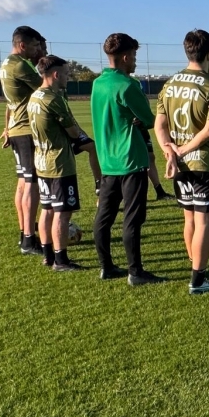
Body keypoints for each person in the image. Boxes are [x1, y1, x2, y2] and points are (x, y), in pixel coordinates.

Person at [154, 29, 209, 295]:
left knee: (189, 219)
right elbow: (208, 131)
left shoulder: (169, 84)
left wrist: (170, 151)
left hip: (182, 167)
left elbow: (159, 126)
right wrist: (183, 151)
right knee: (204, 221)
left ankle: (195, 267)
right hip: (206, 164)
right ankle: (198, 280)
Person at [91, 33, 164, 286]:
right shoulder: (128, 85)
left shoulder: (97, 83)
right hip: (131, 159)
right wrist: (141, 120)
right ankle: (136, 272)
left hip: (107, 160)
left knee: (104, 218)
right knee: (132, 219)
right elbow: (150, 120)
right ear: (124, 57)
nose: (135, 61)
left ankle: (106, 267)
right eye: (133, 55)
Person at [28, 55, 83, 272]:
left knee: (47, 209)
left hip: (41, 161)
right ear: (56, 74)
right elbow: (74, 132)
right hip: (59, 163)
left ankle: (48, 256)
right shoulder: (54, 99)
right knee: (62, 212)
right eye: (67, 74)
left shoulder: (34, 97)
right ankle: (61, 261)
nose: (68, 77)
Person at [0, 26, 47, 255]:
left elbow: (10, 103)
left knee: (23, 183)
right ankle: (29, 240)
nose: (38, 50)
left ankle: (24, 233)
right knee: (32, 185)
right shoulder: (20, 65)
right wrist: (44, 64)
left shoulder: (6, 64)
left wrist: (6, 127)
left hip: (16, 129)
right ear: (22, 45)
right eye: (35, 45)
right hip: (27, 130)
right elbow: (46, 89)